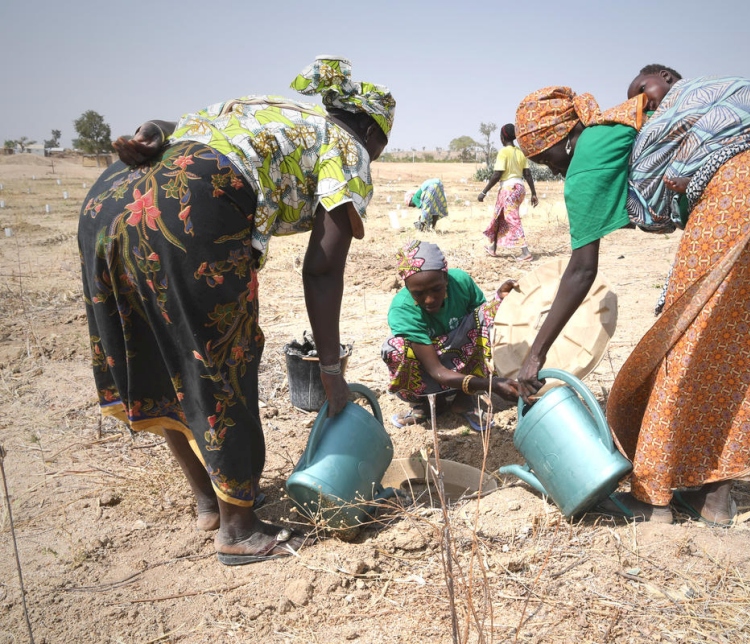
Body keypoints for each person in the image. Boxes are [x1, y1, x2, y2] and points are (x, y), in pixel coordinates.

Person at [78, 56, 394, 565]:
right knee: (222, 356)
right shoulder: (349, 147)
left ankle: (209, 499)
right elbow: (321, 268)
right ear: (370, 129)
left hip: (108, 196)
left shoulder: (270, 110)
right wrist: (332, 372)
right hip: (188, 206)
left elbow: (162, 129)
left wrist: (152, 131)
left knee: (159, 349)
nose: (376, 155)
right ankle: (240, 530)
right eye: (381, 145)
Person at [513, 75, 750, 526]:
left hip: (741, 191)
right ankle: (715, 499)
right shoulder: (628, 122)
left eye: (545, 158)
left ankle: (652, 498)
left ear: (562, 139)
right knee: (748, 345)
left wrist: (534, 355)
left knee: (681, 342)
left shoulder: (588, 154)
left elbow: (581, 269)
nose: (552, 170)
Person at [382, 241, 520, 431]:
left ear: (445, 278)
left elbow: (482, 320)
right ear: (406, 286)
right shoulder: (402, 310)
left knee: (490, 315)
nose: (429, 300)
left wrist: (501, 301)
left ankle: (463, 399)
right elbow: (436, 370)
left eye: (437, 289)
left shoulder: (461, 282)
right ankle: (428, 403)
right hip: (429, 361)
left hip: (462, 346)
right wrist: (491, 385)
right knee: (395, 349)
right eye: (418, 293)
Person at [478, 124, 539, 261]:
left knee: (512, 218)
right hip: (519, 188)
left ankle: (525, 251)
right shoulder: (520, 152)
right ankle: (493, 248)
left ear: (502, 137)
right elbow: (527, 174)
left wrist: (484, 192)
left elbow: (497, 174)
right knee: (499, 215)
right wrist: (533, 193)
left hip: (509, 189)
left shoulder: (504, 152)